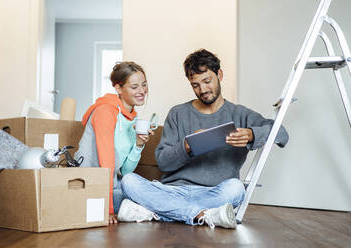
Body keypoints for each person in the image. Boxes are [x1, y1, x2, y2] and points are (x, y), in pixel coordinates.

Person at [117, 49, 289, 229]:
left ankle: (158, 212)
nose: (203, 90)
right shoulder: (177, 113)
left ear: (219, 74)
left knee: (236, 189)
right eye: (195, 85)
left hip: (215, 192)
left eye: (207, 81)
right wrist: (187, 146)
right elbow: (164, 163)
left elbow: (282, 134)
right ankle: (203, 215)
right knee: (129, 181)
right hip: (172, 191)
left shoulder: (240, 114)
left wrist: (252, 135)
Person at [74, 61, 154, 224]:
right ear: (118, 88)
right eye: (134, 87)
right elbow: (107, 166)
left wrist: (138, 144)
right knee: (150, 198)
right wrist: (107, 209)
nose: (142, 91)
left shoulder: (132, 117)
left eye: (144, 85)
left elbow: (125, 171)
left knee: (149, 190)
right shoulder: (105, 112)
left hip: (113, 185)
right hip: (90, 186)